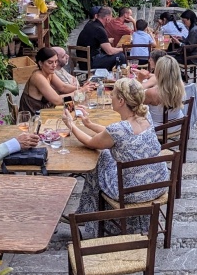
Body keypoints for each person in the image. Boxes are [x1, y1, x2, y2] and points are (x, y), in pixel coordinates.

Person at [66, 78, 169, 237]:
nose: (110, 98)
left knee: (99, 159)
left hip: (133, 193)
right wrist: (88, 124)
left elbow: (91, 142)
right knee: (107, 154)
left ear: (121, 101)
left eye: (112, 95)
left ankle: (90, 215)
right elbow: (112, 134)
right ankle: (88, 213)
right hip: (157, 184)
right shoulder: (145, 115)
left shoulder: (118, 129)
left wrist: (70, 125)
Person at [21, 46, 93, 114]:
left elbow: (63, 87)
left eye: (56, 61)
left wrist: (82, 88)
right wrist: (80, 91)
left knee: (78, 108)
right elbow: (57, 100)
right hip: (35, 115)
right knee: (73, 111)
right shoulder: (38, 77)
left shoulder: (49, 72)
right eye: (50, 62)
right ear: (40, 63)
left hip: (47, 109)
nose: (54, 65)